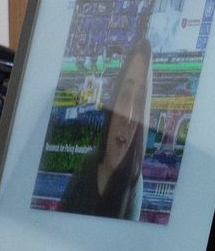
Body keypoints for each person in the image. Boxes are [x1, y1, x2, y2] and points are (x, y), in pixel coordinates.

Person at [57, 37, 152, 220]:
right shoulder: (88, 163)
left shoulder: (134, 184)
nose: (128, 116)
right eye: (125, 95)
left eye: (139, 102)